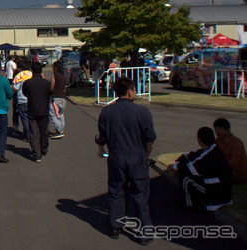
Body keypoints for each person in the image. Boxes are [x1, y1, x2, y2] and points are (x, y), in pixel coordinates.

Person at [96, 76, 156, 244]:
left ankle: (115, 225)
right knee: (140, 194)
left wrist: (101, 149)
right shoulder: (142, 112)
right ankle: (144, 231)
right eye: (134, 90)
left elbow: (102, 135)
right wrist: (146, 153)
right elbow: (150, 138)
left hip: (116, 157)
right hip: (137, 157)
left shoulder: (107, 111)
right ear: (130, 92)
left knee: (116, 191)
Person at [168, 127, 232, 212]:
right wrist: (177, 164)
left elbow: (189, 168)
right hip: (221, 190)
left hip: (217, 195)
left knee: (186, 178)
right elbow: (188, 155)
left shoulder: (210, 155)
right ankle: (193, 200)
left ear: (199, 140)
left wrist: (173, 167)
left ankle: (189, 205)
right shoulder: (212, 150)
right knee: (188, 172)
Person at [22, 62, 51, 163]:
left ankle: (36, 154)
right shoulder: (47, 83)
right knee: (44, 132)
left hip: (32, 110)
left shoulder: (27, 83)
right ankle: (43, 148)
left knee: (34, 133)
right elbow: (50, 94)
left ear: (32, 71)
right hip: (44, 110)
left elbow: (24, 93)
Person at [213, 118, 247, 184]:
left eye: (220, 129)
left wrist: (220, 167)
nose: (217, 132)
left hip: (239, 173)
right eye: (216, 129)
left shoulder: (236, 142)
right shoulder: (218, 141)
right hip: (225, 169)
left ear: (228, 130)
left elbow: (235, 161)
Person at [11, 60, 32, 142]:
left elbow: (15, 88)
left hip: (22, 98)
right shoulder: (31, 74)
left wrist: (11, 87)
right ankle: (33, 133)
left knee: (24, 118)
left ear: (20, 68)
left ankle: (27, 135)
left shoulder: (19, 76)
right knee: (31, 118)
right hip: (32, 98)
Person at [49, 61, 66, 139]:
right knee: (61, 114)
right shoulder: (63, 76)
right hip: (62, 97)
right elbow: (65, 88)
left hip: (55, 97)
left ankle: (59, 130)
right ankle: (60, 129)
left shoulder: (55, 75)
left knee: (53, 114)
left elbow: (52, 87)